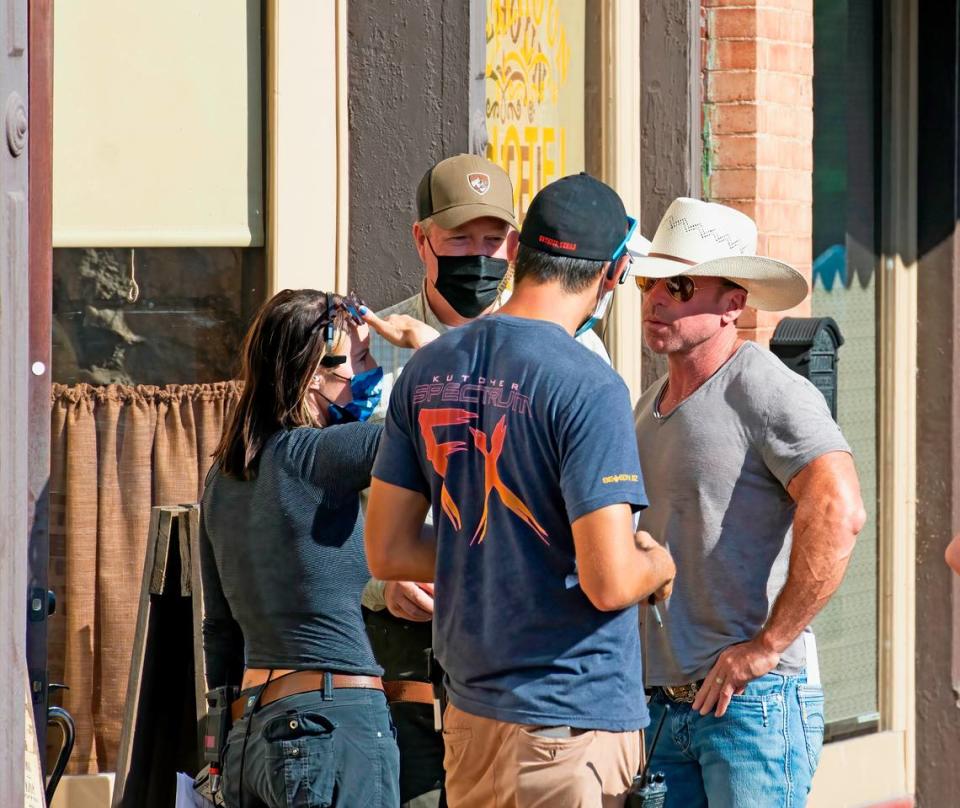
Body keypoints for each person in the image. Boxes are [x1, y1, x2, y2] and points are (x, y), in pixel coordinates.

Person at [365, 173, 676, 808]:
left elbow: (389, 551)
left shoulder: (429, 366)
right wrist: (658, 562)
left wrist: (493, 552)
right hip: (572, 718)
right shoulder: (589, 385)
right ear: (613, 273)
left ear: (517, 252)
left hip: (469, 716)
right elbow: (610, 581)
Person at [631, 197, 867, 808]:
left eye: (679, 285)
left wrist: (766, 648)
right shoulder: (645, 404)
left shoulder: (764, 387)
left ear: (733, 304)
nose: (657, 298)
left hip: (753, 705)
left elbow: (839, 511)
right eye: (650, 281)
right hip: (662, 703)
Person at [198, 289, 400, 807]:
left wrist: (218, 749)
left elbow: (219, 628)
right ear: (313, 374)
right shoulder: (318, 453)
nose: (372, 369)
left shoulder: (221, 478)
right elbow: (433, 429)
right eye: (358, 358)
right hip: (332, 722)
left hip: (249, 732)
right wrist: (432, 344)